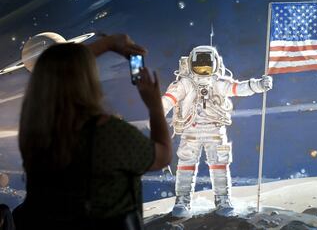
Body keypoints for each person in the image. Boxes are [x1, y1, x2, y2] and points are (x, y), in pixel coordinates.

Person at [14, 34, 172, 229]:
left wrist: (107, 44)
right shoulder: (107, 133)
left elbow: (55, 72)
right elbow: (162, 156)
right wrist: (155, 107)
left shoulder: (33, 130)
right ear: (87, 83)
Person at [162, 45, 273, 217]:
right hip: (191, 132)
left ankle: (223, 199)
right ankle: (182, 201)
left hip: (215, 131)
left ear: (215, 64)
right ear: (191, 64)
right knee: (185, 166)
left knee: (220, 166)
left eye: (207, 66)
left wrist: (258, 85)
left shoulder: (219, 83)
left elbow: (238, 88)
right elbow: (168, 100)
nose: (203, 70)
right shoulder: (184, 84)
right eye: (199, 66)